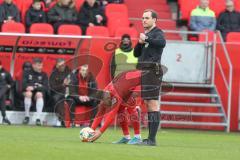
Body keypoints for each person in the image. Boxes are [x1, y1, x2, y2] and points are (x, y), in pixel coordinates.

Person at [133, 9, 166, 146]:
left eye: (147, 18)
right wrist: (140, 42)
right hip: (145, 71)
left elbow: (162, 43)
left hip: (153, 70)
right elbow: (136, 54)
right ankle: (150, 138)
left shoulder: (158, 33)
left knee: (152, 103)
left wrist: (146, 39)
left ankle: (152, 140)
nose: (144, 20)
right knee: (148, 103)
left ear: (154, 20)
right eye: (142, 18)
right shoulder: (147, 35)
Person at [110, 34, 141, 145]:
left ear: (130, 41)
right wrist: (114, 83)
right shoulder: (116, 52)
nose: (126, 41)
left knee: (131, 109)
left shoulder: (136, 52)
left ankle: (137, 136)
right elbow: (112, 68)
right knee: (120, 111)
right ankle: (126, 137)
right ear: (121, 40)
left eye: (128, 39)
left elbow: (139, 69)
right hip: (119, 86)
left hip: (132, 86)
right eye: (124, 39)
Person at [22, 58, 49, 126]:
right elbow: (23, 84)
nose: (40, 67)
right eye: (38, 65)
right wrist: (28, 87)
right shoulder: (26, 73)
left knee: (39, 94)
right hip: (28, 93)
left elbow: (45, 87)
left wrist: (34, 87)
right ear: (33, 65)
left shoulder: (44, 74)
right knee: (28, 93)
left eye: (41, 65)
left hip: (38, 93)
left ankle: (38, 118)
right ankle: (26, 116)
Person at [49, 58, 71, 127]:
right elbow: (52, 88)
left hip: (69, 92)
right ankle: (61, 120)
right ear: (57, 66)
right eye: (60, 66)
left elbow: (74, 82)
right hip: (57, 93)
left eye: (63, 65)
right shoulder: (53, 74)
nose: (62, 67)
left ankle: (73, 121)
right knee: (59, 99)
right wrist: (63, 85)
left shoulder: (69, 72)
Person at [0, 60, 13, 125]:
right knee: (2, 97)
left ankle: (4, 117)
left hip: (3, 89)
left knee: (4, 87)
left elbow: (12, 82)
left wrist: (9, 85)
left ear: (1, 66)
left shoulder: (6, 73)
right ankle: (4, 117)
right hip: (3, 94)